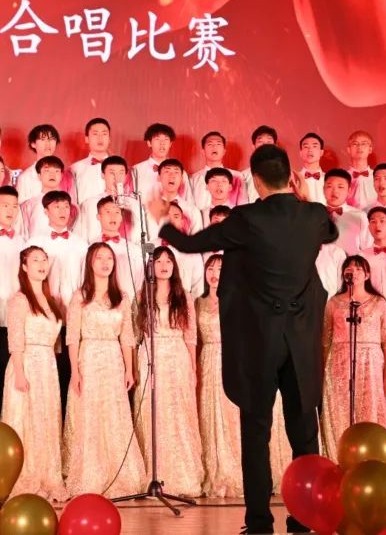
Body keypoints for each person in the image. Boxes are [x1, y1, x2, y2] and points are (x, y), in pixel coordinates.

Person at [149, 144, 337, 533]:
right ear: (291, 177)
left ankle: (259, 522)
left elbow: (190, 244)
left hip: (259, 343)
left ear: (255, 180)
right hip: (301, 343)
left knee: (256, 433)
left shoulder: (246, 218)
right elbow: (331, 231)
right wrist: (303, 199)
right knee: (305, 433)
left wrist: (163, 221)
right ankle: (305, 517)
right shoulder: (315, 215)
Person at [63, 242, 147, 497]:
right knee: (90, 415)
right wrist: (75, 371)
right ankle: (91, 473)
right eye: (99, 257)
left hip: (113, 360)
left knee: (114, 415)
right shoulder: (79, 297)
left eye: (109, 258)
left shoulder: (121, 298)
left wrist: (129, 370)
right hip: (88, 358)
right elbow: (72, 337)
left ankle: (119, 472)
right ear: (90, 262)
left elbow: (127, 337)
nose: (105, 262)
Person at [132, 246, 204, 497]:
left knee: (178, 414)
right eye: (158, 261)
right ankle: (153, 474)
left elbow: (190, 336)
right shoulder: (142, 295)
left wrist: (193, 368)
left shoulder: (184, 296)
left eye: (168, 261)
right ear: (150, 267)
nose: (163, 266)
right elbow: (136, 333)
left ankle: (182, 474)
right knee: (153, 414)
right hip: (151, 357)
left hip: (177, 358)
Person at [2, 246, 67, 500]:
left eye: (44, 260)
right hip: (26, 363)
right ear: (24, 267)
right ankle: (25, 475)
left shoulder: (51, 301)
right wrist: (19, 372)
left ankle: (48, 474)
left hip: (47, 367)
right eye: (35, 260)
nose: (41, 264)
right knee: (25, 420)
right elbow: (15, 338)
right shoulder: (20, 300)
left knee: (46, 420)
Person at [320, 256, 386, 462]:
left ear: (367, 274)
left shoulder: (379, 303)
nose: (353, 272)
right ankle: (340, 460)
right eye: (349, 268)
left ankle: (372, 460)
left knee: (369, 409)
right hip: (338, 362)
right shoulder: (334, 303)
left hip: (370, 363)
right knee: (339, 411)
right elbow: (326, 341)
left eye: (358, 268)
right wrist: (323, 372)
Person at [197, 255, 242, 498]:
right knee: (208, 417)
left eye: (220, 268)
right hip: (206, 361)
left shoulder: (237, 300)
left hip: (230, 359)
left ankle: (235, 471)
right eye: (210, 268)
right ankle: (211, 472)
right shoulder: (197, 303)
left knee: (231, 418)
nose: (215, 273)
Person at [15, 124, 69, 203]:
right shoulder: (25, 177)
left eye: (51, 139)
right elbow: (21, 207)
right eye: (43, 139)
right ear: (33, 144)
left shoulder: (66, 176)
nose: (48, 144)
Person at [189, 131, 241, 211]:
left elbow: (243, 205)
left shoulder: (237, 176)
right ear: (203, 151)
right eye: (210, 144)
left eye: (218, 144)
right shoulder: (194, 178)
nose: (214, 147)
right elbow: (190, 207)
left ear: (224, 151)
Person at [324, 169, 369, 256]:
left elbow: (367, 248)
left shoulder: (360, 216)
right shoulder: (316, 214)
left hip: (350, 263)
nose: (335, 191)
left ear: (349, 191)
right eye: (329, 186)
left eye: (340, 187)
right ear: (323, 189)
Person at [69, 118, 113, 204]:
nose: (100, 138)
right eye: (95, 134)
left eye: (104, 134)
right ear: (87, 139)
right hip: (86, 212)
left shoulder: (120, 168)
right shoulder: (74, 169)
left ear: (109, 139)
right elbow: (71, 201)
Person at [239, 125, 278, 203]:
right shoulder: (243, 176)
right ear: (253, 146)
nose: (264, 145)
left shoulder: (284, 173)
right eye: (260, 141)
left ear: (275, 146)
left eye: (269, 141)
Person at [345, 130, 376, 209]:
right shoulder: (342, 177)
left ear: (370, 149)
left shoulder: (377, 176)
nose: (359, 147)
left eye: (364, 144)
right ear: (348, 149)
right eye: (355, 144)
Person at [297, 133, 326, 205]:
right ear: (300, 153)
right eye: (306, 147)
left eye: (314, 146)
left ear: (321, 152)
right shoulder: (294, 179)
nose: (310, 150)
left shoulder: (328, 179)